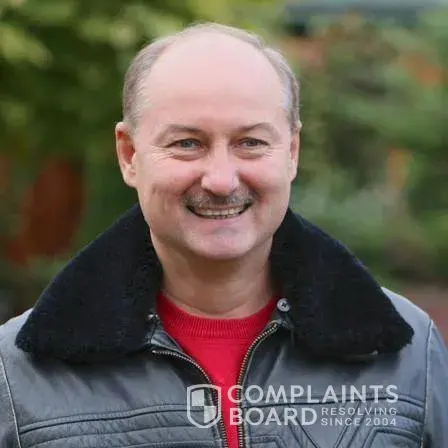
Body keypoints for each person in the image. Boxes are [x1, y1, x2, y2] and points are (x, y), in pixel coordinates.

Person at [0, 22, 447, 448]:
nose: (220, 179)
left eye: (250, 142)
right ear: (129, 155)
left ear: (291, 152)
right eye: (187, 143)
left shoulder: (407, 353)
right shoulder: (19, 374)